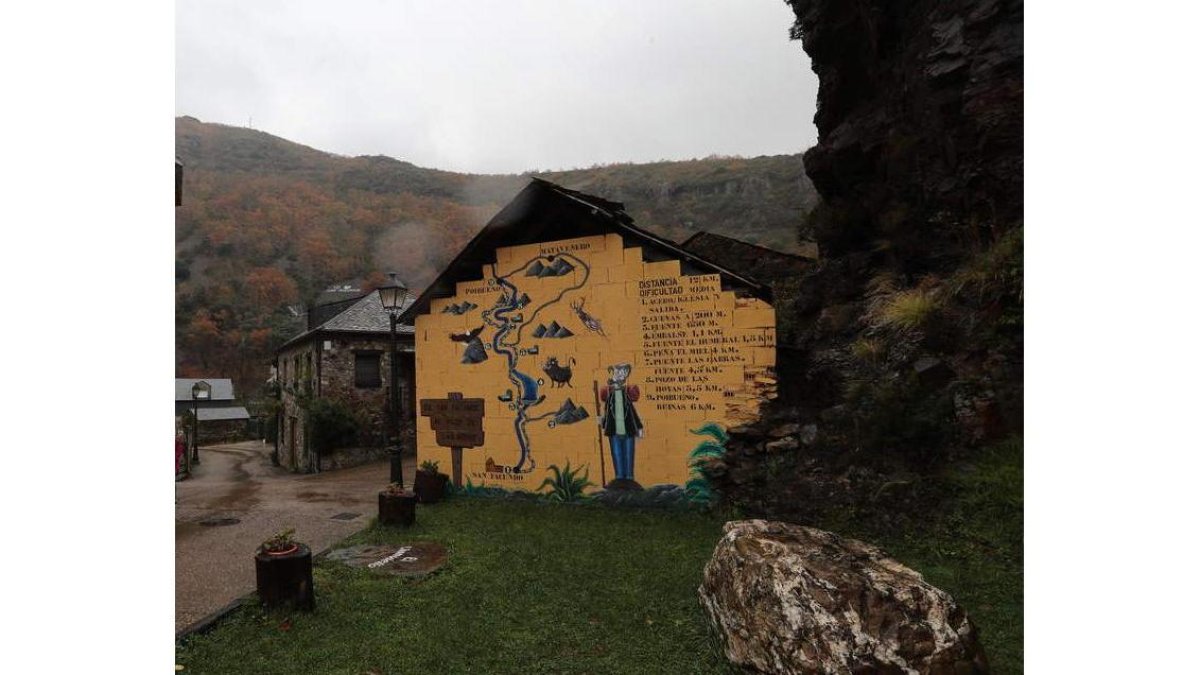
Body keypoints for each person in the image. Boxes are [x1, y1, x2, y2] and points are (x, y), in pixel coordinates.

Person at [598, 363, 644, 488]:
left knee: (628, 453)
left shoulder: (627, 392)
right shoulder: (609, 393)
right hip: (614, 430)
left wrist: (639, 427)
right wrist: (602, 421)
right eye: (618, 372)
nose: (620, 375)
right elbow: (608, 411)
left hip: (628, 429)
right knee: (617, 453)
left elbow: (632, 412)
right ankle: (619, 477)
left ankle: (629, 478)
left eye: (623, 373)